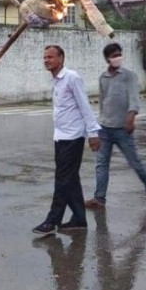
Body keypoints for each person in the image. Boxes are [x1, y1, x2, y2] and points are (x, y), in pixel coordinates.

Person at [85, 43, 146, 210]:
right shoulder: (103, 78)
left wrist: (131, 116)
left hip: (123, 129)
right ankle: (99, 199)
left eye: (119, 54)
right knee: (101, 164)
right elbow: (103, 101)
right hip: (104, 128)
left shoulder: (129, 76)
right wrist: (97, 126)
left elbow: (134, 98)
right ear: (107, 58)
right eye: (114, 55)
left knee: (135, 163)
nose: (117, 57)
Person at [32, 45, 101, 236]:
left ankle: (52, 221)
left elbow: (84, 105)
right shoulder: (56, 81)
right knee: (70, 179)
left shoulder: (71, 77)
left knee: (62, 179)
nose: (47, 60)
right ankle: (79, 218)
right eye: (44, 57)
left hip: (73, 137)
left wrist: (93, 132)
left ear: (61, 58)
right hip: (61, 137)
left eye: (51, 57)